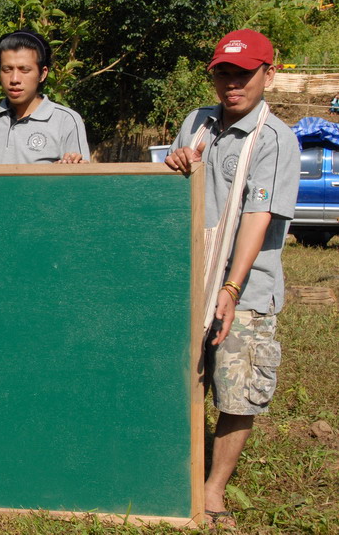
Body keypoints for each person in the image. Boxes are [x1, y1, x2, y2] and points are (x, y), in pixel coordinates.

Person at [164, 29, 300, 529]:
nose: (232, 84)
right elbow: (171, 189)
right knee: (177, 377)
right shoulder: (197, 123)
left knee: (237, 388)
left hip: (245, 285)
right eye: (223, 74)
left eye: (243, 75)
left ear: (269, 74)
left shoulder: (274, 139)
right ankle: (169, 473)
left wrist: (230, 288)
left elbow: (257, 219)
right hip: (187, 276)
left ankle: (214, 490)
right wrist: (177, 162)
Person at [0, 30, 89, 164]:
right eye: (7, 69)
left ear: (42, 74)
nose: (14, 79)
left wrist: (67, 168)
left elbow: (79, 175)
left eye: (24, 70)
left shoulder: (65, 121)